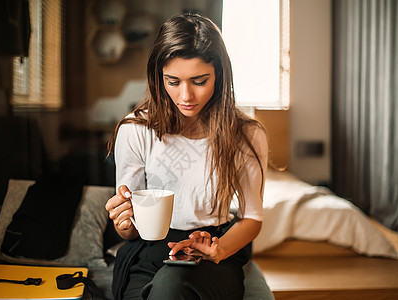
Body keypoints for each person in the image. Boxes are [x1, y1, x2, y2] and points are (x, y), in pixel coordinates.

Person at [105, 13, 273, 300]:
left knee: (171, 286)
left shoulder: (246, 134)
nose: (186, 96)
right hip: (149, 250)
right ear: (159, 77)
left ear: (219, 75)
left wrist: (218, 249)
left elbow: (252, 218)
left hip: (213, 250)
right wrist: (123, 226)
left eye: (199, 81)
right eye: (173, 81)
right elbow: (131, 229)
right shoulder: (135, 130)